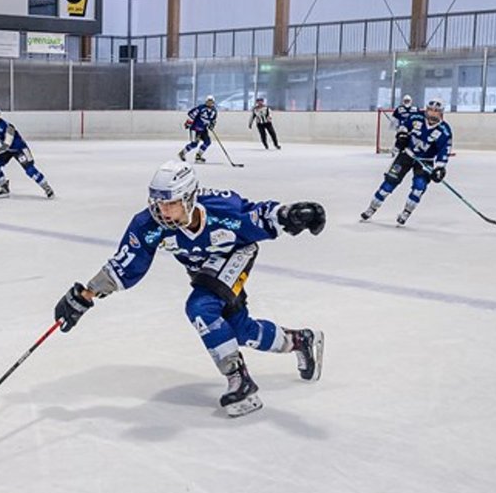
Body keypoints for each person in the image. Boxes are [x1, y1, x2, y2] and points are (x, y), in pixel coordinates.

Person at [53, 160, 326, 417]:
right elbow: (126, 263)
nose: (162, 211)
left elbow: (258, 216)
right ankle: (300, 340)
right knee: (240, 331)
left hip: (235, 256)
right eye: (158, 203)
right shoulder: (148, 225)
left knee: (200, 307)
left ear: (189, 198)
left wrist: (289, 215)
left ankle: (238, 380)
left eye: (170, 203)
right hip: (205, 272)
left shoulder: (221, 209)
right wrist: (84, 296)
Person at [360, 98, 452, 226]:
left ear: (441, 112)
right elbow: (404, 126)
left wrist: (440, 168)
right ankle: (371, 209)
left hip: (425, 161)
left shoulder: (444, 130)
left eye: (436, 111)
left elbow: (444, 151)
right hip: (406, 155)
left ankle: (406, 212)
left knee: (419, 188)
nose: (432, 113)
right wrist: (401, 136)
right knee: (389, 183)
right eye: (430, 110)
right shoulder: (416, 117)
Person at [0, 105, 54, 199]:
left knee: (30, 169)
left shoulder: (7, 126)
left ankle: (46, 187)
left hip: (19, 149)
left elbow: (6, 145)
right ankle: (4, 187)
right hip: (7, 150)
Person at [178, 95, 217, 164]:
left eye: (211, 101)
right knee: (194, 144)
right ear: (206, 101)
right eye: (208, 101)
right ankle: (182, 153)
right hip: (195, 128)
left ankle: (198, 156)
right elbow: (192, 115)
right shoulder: (201, 108)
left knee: (207, 142)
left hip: (203, 130)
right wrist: (188, 123)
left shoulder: (214, 111)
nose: (210, 103)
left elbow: (213, 120)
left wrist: (212, 125)